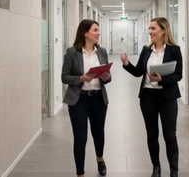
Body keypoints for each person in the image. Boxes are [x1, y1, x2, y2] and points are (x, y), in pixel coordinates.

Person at [121, 17, 182, 177]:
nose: (150, 32)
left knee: (170, 135)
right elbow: (138, 72)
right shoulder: (146, 50)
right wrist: (127, 64)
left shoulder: (174, 50)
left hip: (167, 97)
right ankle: (156, 167)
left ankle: (174, 171)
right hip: (148, 97)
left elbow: (178, 75)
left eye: (153, 28)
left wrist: (163, 79)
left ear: (163, 30)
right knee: (152, 134)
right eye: (149, 29)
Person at [62, 19, 112, 177]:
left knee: (99, 133)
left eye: (98, 30)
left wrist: (106, 76)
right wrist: (81, 79)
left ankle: (100, 159)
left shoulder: (102, 52)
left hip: (98, 99)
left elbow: (109, 78)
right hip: (79, 100)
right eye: (95, 30)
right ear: (85, 32)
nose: (98, 33)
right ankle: (80, 173)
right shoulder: (72, 52)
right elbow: (65, 77)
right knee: (80, 137)